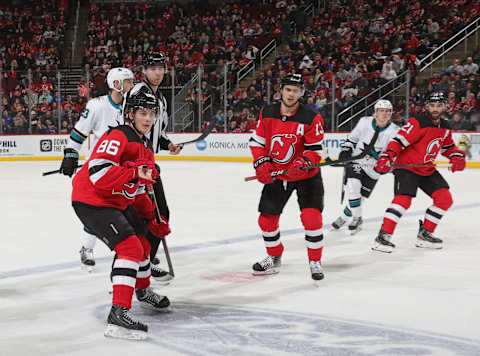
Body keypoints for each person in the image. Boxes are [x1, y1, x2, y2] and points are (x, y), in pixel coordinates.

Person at [71, 90, 171, 340]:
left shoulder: (145, 147)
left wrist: (152, 217)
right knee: (130, 248)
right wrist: (135, 173)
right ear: (130, 114)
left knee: (144, 240)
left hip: (114, 201)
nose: (148, 119)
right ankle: (118, 315)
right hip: (91, 200)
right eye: (142, 113)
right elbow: (98, 174)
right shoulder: (118, 135)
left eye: (152, 114)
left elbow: (136, 192)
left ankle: (143, 290)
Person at [249, 73, 326, 281]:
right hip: (278, 174)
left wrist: (303, 163)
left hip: (307, 177)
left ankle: (315, 260)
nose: (292, 94)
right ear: (281, 90)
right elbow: (256, 143)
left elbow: (315, 150)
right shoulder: (268, 112)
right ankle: (274, 257)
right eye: (288, 89)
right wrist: (262, 163)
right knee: (266, 220)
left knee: (311, 218)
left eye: (296, 90)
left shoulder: (311, 116)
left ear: (301, 93)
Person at [59, 67, 134, 270]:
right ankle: (88, 248)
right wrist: (70, 155)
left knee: (128, 209)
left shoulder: (133, 107)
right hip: (100, 170)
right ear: (116, 84)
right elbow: (78, 134)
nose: (132, 85)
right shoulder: (97, 106)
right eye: (127, 81)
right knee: (101, 209)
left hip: (123, 169)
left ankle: (137, 253)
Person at [372, 92, 466, 253]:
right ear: (427, 106)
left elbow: (447, 146)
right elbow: (398, 141)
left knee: (444, 198)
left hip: (426, 168)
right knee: (403, 200)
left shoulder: (445, 126)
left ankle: (425, 234)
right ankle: (383, 237)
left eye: (439, 105)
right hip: (407, 167)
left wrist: (456, 156)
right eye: (432, 105)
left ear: (444, 106)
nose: (435, 109)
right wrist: (387, 156)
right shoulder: (418, 122)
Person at [129, 51, 180, 282]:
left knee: (160, 215)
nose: (157, 73)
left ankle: (144, 263)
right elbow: (129, 127)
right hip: (135, 164)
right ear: (144, 71)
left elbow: (156, 134)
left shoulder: (161, 99)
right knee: (142, 217)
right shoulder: (138, 92)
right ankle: (135, 266)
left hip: (150, 163)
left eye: (161, 68)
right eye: (153, 68)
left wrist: (168, 143)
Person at [331, 99, 399, 234]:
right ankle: (357, 217)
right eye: (381, 111)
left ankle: (344, 217)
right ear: (375, 112)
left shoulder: (395, 131)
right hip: (357, 161)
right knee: (353, 187)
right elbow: (352, 139)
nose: (384, 114)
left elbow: (394, 151)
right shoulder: (364, 122)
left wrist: (387, 165)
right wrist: (346, 150)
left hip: (374, 169)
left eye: (387, 111)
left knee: (359, 197)